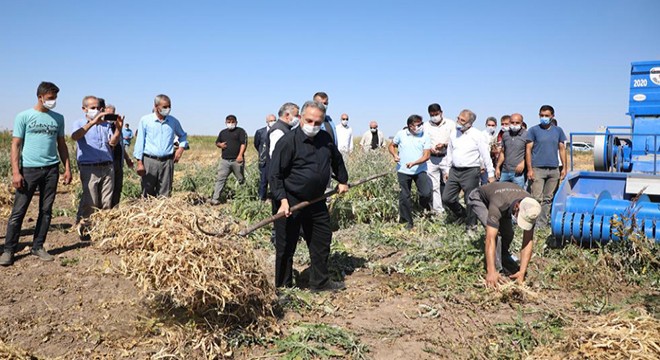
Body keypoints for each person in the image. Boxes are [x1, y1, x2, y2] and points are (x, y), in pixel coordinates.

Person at [269, 100, 349, 292]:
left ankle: (320, 283)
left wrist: (343, 181)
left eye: (318, 122)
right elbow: (275, 173)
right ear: (301, 117)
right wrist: (283, 200)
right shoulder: (288, 141)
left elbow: (337, 161)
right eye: (309, 120)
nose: (313, 126)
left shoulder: (325, 139)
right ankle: (283, 286)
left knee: (321, 241)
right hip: (290, 201)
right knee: (286, 246)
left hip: (316, 201)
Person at [1, 82, 72, 266]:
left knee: (46, 211)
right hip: (29, 170)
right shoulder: (24, 117)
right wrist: (16, 172)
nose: (53, 101)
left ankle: (38, 246)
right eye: (50, 98)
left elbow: (61, 145)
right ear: (40, 97)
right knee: (18, 212)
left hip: (51, 169)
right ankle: (9, 250)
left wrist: (67, 168)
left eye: (55, 98)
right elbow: (15, 145)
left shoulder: (58, 118)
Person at [467, 182, 541, 288]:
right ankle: (497, 270)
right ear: (517, 207)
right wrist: (491, 271)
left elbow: (528, 240)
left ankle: (503, 257)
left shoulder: (531, 207)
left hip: (504, 202)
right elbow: (490, 238)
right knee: (495, 233)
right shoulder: (499, 203)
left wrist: (522, 272)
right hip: (479, 198)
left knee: (508, 234)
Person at [71, 96, 122, 238]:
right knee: (90, 201)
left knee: (106, 201)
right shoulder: (79, 123)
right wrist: (92, 123)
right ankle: (86, 229)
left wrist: (118, 129)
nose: (97, 110)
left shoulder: (106, 125)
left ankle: (103, 230)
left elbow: (112, 143)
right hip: (89, 167)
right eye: (92, 108)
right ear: (84, 109)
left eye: (98, 108)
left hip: (107, 166)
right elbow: (75, 136)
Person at [443, 109, 495, 229]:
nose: (459, 122)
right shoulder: (453, 134)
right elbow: (450, 153)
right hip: (455, 170)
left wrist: (490, 174)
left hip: (471, 171)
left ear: (469, 123)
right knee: (447, 198)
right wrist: (447, 170)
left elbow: (485, 155)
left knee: (470, 199)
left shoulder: (477, 135)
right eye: (458, 118)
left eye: (462, 120)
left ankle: (471, 226)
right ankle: (462, 214)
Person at [133, 94, 188, 197]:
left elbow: (183, 136)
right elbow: (140, 142)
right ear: (156, 106)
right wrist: (139, 162)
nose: (167, 109)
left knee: (165, 193)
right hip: (149, 161)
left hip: (167, 162)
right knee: (147, 193)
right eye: (164, 107)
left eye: (169, 106)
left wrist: (180, 150)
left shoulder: (173, 121)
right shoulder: (145, 120)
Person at [525, 105, 567, 228]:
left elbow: (562, 149)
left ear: (552, 116)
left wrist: (564, 168)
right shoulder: (533, 130)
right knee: (536, 198)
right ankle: (532, 223)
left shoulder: (558, 131)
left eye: (546, 116)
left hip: (553, 169)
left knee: (548, 199)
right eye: (542, 115)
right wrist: (530, 169)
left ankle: (541, 224)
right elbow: (528, 150)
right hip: (537, 169)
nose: (544, 118)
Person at [389, 115, 432, 229]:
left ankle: (424, 208)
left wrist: (414, 163)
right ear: (410, 126)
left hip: (420, 170)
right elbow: (392, 146)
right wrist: (395, 154)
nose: (420, 127)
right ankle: (407, 221)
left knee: (426, 193)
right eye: (418, 125)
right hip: (403, 170)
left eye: (421, 124)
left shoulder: (425, 136)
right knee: (404, 196)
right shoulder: (401, 134)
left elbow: (427, 156)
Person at [210, 115, 248, 205]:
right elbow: (217, 142)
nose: (230, 124)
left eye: (232, 122)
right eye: (228, 122)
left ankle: (245, 197)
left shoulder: (240, 131)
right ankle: (215, 198)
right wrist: (220, 145)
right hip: (225, 161)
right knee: (220, 179)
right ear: (225, 122)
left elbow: (243, 144)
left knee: (241, 179)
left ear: (236, 122)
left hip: (237, 160)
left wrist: (240, 155)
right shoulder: (223, 132)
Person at [425, 103, 455, 214]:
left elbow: (454, 140)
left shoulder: (450, 124)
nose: (434, 117)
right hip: (431, 159)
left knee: (449, 183)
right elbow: (424, 142)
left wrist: (444, 145)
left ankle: (451, 208)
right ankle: (438, 211)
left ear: (441, 112)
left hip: (446, 157)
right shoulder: (425, 126)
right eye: (432, 115)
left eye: (436, 114)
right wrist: (430, 148)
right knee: (434, 186)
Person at [106, 105, 134, 208]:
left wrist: (127, 159)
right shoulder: (104, 128)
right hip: (109, 163)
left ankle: (115, 209)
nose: (110, 117)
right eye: (108, 114)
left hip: (118, 162)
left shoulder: (118, 128)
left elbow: (121, 145)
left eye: (113, 115)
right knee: (108, 189)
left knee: (118, 188)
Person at [496, 113, 527, 188]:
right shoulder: (505, 135)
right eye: (512, 122)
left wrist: (523, 162)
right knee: (501, 193)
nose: (514, 124)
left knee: (518, 195)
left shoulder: (526, 135)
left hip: (518, 173)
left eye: (517, 123)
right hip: (505, 171)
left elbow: (530, 152)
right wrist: (497, 167)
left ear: (521, 123)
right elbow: (503, 152)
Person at [254, 114, 276, 201]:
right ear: (267, 121)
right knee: (263, 180)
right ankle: (261, 198)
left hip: (275, 159)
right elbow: (257, 144)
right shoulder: (260, 132)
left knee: (274, 180)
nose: (273, 122)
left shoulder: (278, 131)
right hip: (264, 160)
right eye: (271, 121)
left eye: (274, 120)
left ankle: (273, 197)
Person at [481, 117, 499, 185]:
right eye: (489, 125)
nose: (491, 127)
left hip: (495, 163)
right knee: (485, 183)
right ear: (486, 125)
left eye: (492, 125)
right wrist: (481, 166)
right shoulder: (482, 135)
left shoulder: (497, 135)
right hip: (485, 164)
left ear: (496, 126)